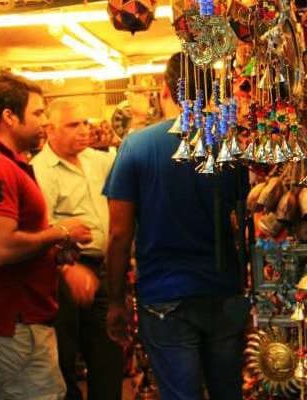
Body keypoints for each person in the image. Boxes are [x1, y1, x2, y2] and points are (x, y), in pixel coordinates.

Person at [103, 52, 251, 400]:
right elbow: (241, 222)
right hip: (223, 291)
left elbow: (119, 234)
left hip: (164, 297)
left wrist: (114, 301)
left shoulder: (137, 147)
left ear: (165, 90)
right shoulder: (229, 146)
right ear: (213, 89)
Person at [0, 73, 93, 399]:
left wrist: (60, 259)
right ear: (9, 117)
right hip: (13, 329)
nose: (44, 122)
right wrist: (60, 230)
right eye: (38, 113)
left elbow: (18, 239)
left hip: (21, 326)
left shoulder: (5, 164)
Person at [31, 99, 123, 400]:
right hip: (63, 272)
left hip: (101, 268)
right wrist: (67, 265)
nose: (84, 130)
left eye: (85, 123)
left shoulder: (97, 161)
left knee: (107, 355)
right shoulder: (41, 170)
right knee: (64, 358)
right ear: (50, 129)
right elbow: (39, 228)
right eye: (73, 125)